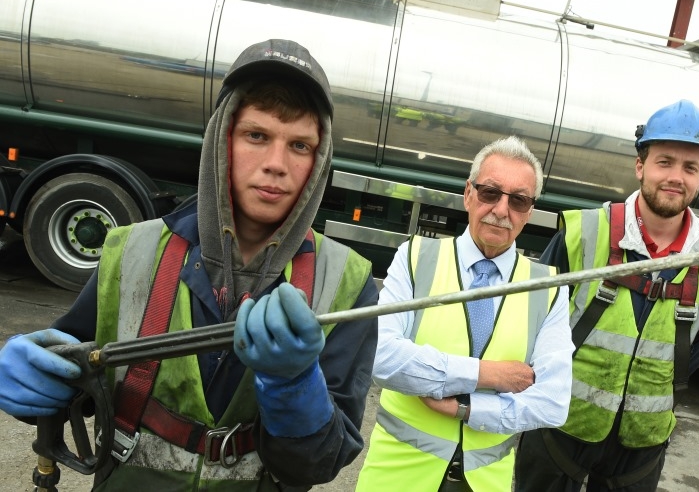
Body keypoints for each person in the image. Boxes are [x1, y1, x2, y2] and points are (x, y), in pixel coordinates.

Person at [0, 39, 378, 490]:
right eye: (257, 136)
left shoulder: (349, 283)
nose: (277, 165)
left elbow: (316, 467)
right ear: (222, 140)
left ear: (320, 160)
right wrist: (32, 385)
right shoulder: (131, 253)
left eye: (300, 145)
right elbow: (74, 385)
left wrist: (295, 385)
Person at [514, 100, 699, 492]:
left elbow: (695, 350)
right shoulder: (584, 232)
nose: (675, 177)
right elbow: (531, 319)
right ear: (640, 166)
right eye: (664, 162)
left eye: (690, 167)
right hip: (559, 423)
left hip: (642, 442)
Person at [355, 136, 574, 492]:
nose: (502, 210)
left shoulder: (548, 288)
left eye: (518, 200)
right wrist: (488, 375)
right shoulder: (415, 257)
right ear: (468, 193)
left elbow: (552, 402)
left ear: (530, 211)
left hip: (486, 482)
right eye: (490, 192)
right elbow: (379, 357)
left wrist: (468, 409)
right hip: (397, 476)